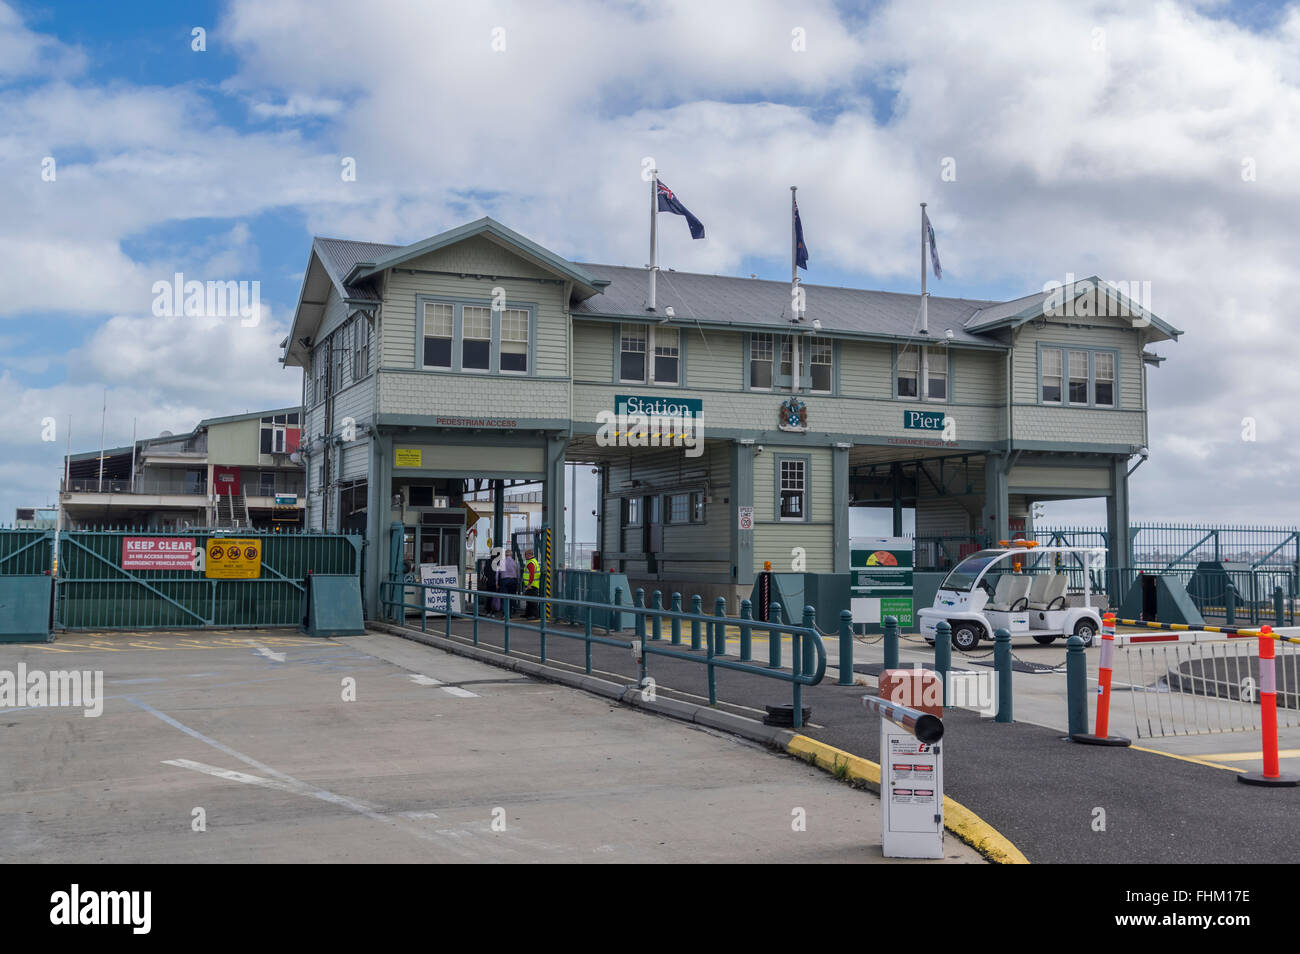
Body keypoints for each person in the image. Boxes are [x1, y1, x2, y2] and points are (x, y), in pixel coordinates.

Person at [498, 548, 520, 617]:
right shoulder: (515, 562)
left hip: (504, 581)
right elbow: (518, 573)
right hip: (513, 581)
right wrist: (518, 582)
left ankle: (505, 613)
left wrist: (496, 582)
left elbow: (497, 573)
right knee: (511, 597)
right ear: (511, 555)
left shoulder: (501, 562)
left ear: (505, 555)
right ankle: (510, 613)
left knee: (504, 597)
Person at [523, 549, 541, 618]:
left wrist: (529, 584)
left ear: (529, 555)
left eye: (525, 555)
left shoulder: (530, 563)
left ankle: (534, 615)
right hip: (532, 584)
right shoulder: (533, 561)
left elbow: (532, 574)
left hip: (531, 585)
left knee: (532, 601)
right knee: (529, 600)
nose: (525, 556)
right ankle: (528, 614)